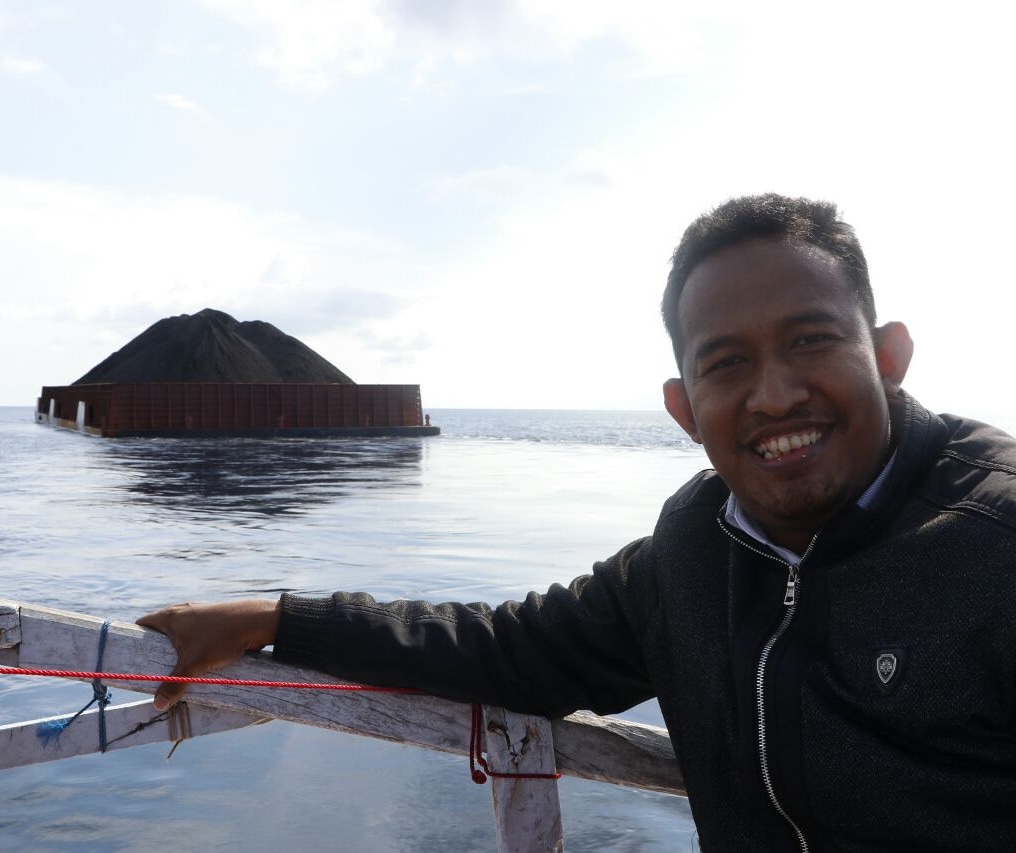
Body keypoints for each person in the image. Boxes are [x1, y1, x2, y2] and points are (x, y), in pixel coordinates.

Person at [138, 194, 1016, 850]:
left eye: (811, 340)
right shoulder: (693, 550)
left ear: (889, 355)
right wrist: (279, 617)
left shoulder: (994, 542)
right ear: (683, 408)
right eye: (726, 363)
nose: (775, 393)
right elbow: (513, 649)